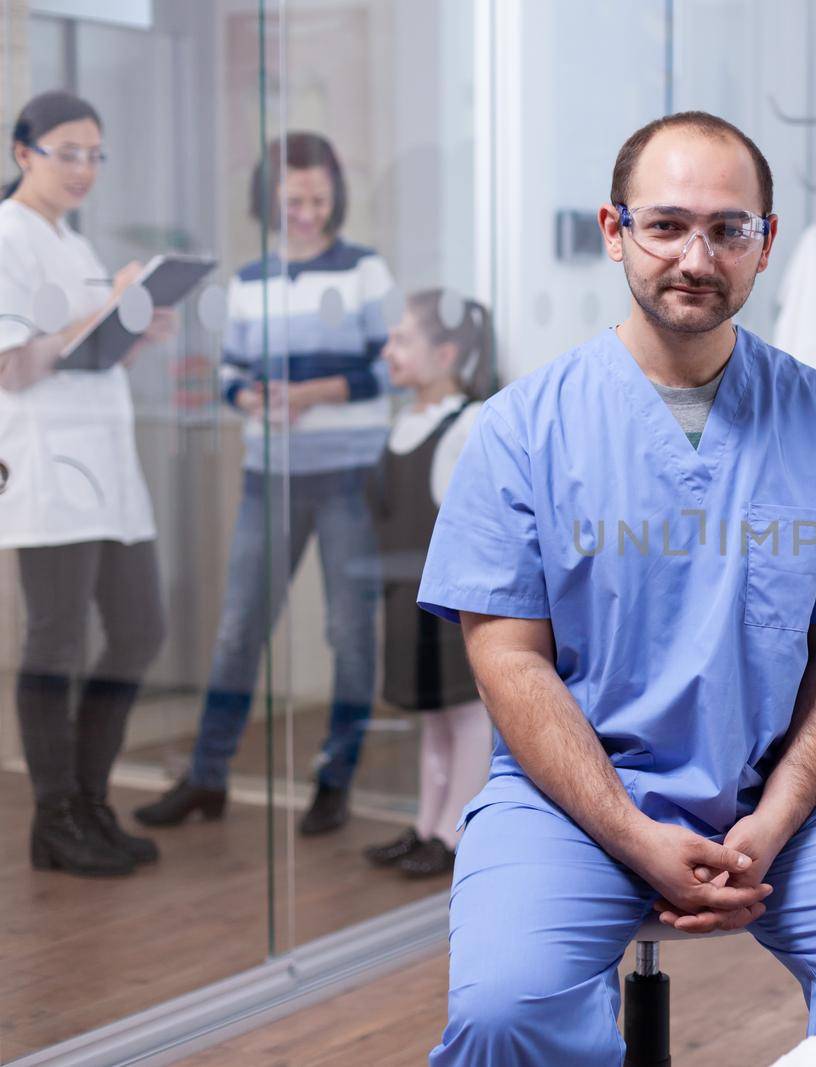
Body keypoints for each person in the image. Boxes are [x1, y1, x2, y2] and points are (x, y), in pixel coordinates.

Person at [417, 112, 816, 1063]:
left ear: (764, 242)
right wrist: (636, 836)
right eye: (667, 224)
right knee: (505, 1008)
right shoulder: (520, 429)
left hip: (781, 792)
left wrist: (774, 815)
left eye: (729, 228)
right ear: (614, 231)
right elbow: (507, 658)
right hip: (571, 800)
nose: (697, 254)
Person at [135, 132, 392, 836]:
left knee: (349, 633)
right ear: (269, 198)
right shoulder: (249, 283)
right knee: (238, 630)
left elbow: (392, 366)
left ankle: (334, 779)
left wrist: (313, 394)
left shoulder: (366, 271)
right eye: (293, 199)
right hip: (266, 478)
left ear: (334, 194)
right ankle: (207, 774)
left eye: (317, 197)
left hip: (347, 477)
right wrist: (250, 398)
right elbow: (227, 376)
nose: (306, 211)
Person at [0, 90, 175, 877]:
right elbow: (15, 364)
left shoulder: (71, 240)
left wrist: (133, 327)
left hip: (107, 465)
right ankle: (56, 816)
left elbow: (85, 355)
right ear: (22, 153)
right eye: (68, 151)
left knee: (140, 628)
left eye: (95, 154)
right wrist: (108, 306)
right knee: (57, 639)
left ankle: (90, 800)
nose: (83, 168)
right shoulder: (6, 236)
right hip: (45, 467)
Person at [362, 289, 494, 879]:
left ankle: (454, 831)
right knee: (432, 716)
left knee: (464, 713)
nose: (388, 350)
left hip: (450, 602)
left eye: (402, 340)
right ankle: (425, 824)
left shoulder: (466, 425)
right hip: (405, 597)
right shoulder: (405, 423)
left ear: (445, 354)